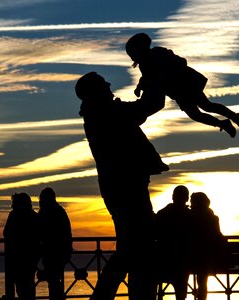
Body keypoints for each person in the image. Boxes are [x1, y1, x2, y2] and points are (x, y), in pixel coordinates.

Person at [75, 72, 169, 300]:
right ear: (96, 92)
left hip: (120, 188)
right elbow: (149, 105)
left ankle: (126, 295)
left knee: (134, 248)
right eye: (103, 83)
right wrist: (154, 75)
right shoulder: (106, 113)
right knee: (135, 249)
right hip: (126, 188)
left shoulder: (101, 113)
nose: (109, 84)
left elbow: (147, 107)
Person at [126, 32, 239, 138]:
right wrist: (139, 87)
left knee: (206, 106)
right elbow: (147, 78)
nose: (133, 58)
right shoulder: (144, 65)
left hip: (185, 85)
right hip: (177, 91)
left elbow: (179, 61)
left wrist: (169, 68)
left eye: (133, 54)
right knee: (196, 114)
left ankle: (236, 117)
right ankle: (224, 123)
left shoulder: (158, 53)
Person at [190, 192, 229, 300]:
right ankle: (202, 297)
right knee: (203, 281)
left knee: (201, 277)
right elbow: (218, 236)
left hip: (190, 258)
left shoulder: (189, 217)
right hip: (209, 259)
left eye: (192, 201)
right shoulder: (213, 218)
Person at [155, 185, 192, 300]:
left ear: (172, 197)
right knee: (181, 293)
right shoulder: (190, 216)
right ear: (186, 198)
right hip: (182, 264)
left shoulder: (161, 214)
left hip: (162, 261)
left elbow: (154, 234)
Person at [3, 192, 40, 300]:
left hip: (16, 256)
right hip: (31, 256)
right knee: (29, 282)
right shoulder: (34, 215)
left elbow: (6, 233)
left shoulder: (13, 215)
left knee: (19, 285)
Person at [38, 187, 73, 300]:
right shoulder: (60, 211)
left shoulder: (46, 212)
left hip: (52, 252)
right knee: (54, 281)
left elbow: (40, 230)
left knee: (53, 281)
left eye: (41, 199)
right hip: (61, 251)